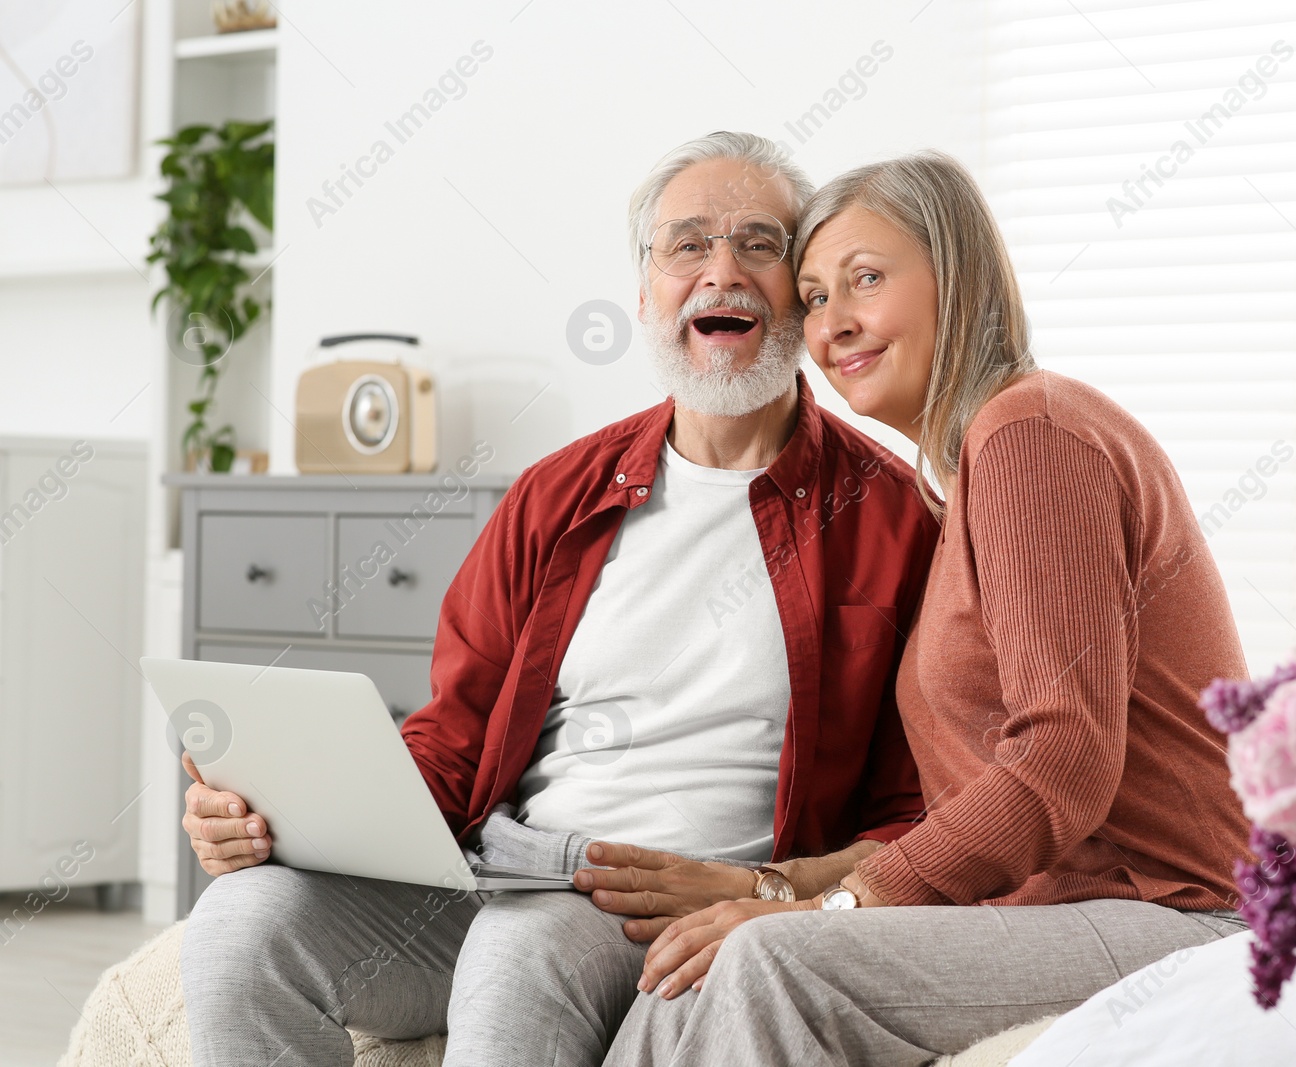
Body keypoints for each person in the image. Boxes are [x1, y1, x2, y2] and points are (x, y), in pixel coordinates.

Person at [177, 131, 940, 1067]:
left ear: (805, 290)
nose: (721, 271)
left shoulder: (898, 520)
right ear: (646, 291)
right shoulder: (557, 493)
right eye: (687, 244)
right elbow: (455, 738)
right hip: (501, 869)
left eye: (760, 243)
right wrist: (284, 817)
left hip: (663, 907)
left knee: (520, 953)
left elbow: (917, 803)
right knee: (238, 923)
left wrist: (776, 893)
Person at [605, 151, 1254, 1066]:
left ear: (960, 275)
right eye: (817, 297)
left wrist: (836, 907)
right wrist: (786, 884)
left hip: (1173, 915)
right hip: (1080, 905)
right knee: (688, 968)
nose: (836, 325)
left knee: (769, 961)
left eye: (867, 279)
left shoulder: (1032, 436)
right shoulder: (970, 474)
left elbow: (1063, 760)